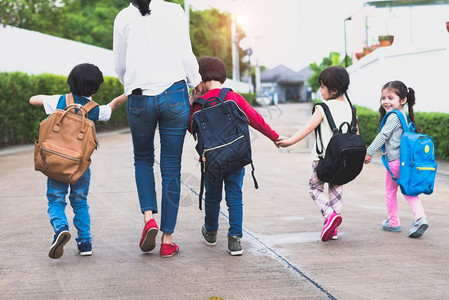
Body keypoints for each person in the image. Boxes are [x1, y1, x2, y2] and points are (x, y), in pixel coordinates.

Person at [113, 0, 202, 257]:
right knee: (171, 166)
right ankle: (167, 239)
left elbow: (119, 65)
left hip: (139, 97)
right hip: (173, 94)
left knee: (142, 159)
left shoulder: (123, 17)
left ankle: (149, 219)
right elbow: (186, 54)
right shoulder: (175, 11)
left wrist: (131, 83)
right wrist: (195, 83)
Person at [29, 63, 127, 259]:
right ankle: (85, 243)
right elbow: (113, 105)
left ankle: (60, 229)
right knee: (80, 202)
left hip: (55, 163)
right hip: (79, 168)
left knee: (56, 200)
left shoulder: (59, 101)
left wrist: (51, 99)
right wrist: (130, 92)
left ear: (70, 82)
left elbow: (33, 100)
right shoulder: (95, 110)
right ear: (96, 88)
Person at [189, 57, 280, 255]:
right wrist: (274, 137)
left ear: (201, 78)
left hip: (211, 160)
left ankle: (211, 232)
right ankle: (235, 239)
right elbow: (255, 119)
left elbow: (190, 127)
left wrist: (192, 101)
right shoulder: (233, 97)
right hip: (236, 156)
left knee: (212, 196)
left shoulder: (199, 103)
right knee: (234, 195)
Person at [277, 66, 354, 242]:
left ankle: (329, 216)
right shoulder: (351, 108)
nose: (320, 91)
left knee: (315, 188)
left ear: (333, 90)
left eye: (322, 87)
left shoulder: (323, 107)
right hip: (343, 160)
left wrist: (290, 141)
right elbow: (355, 134)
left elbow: (308, 127)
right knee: (336, 190)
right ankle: (333, 229)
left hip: (322, 159)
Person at [364, 81, 428, 238]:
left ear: (403, 100)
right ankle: (415, 218)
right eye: (383, 98)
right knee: (406, 191)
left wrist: (369, 152)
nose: (385, 101)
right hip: (404, 162)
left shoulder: (393, 117)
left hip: (395, 163)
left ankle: (399, 221)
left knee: (393, 192)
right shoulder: (404, 117)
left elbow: (383, 135)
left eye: (390, 98)